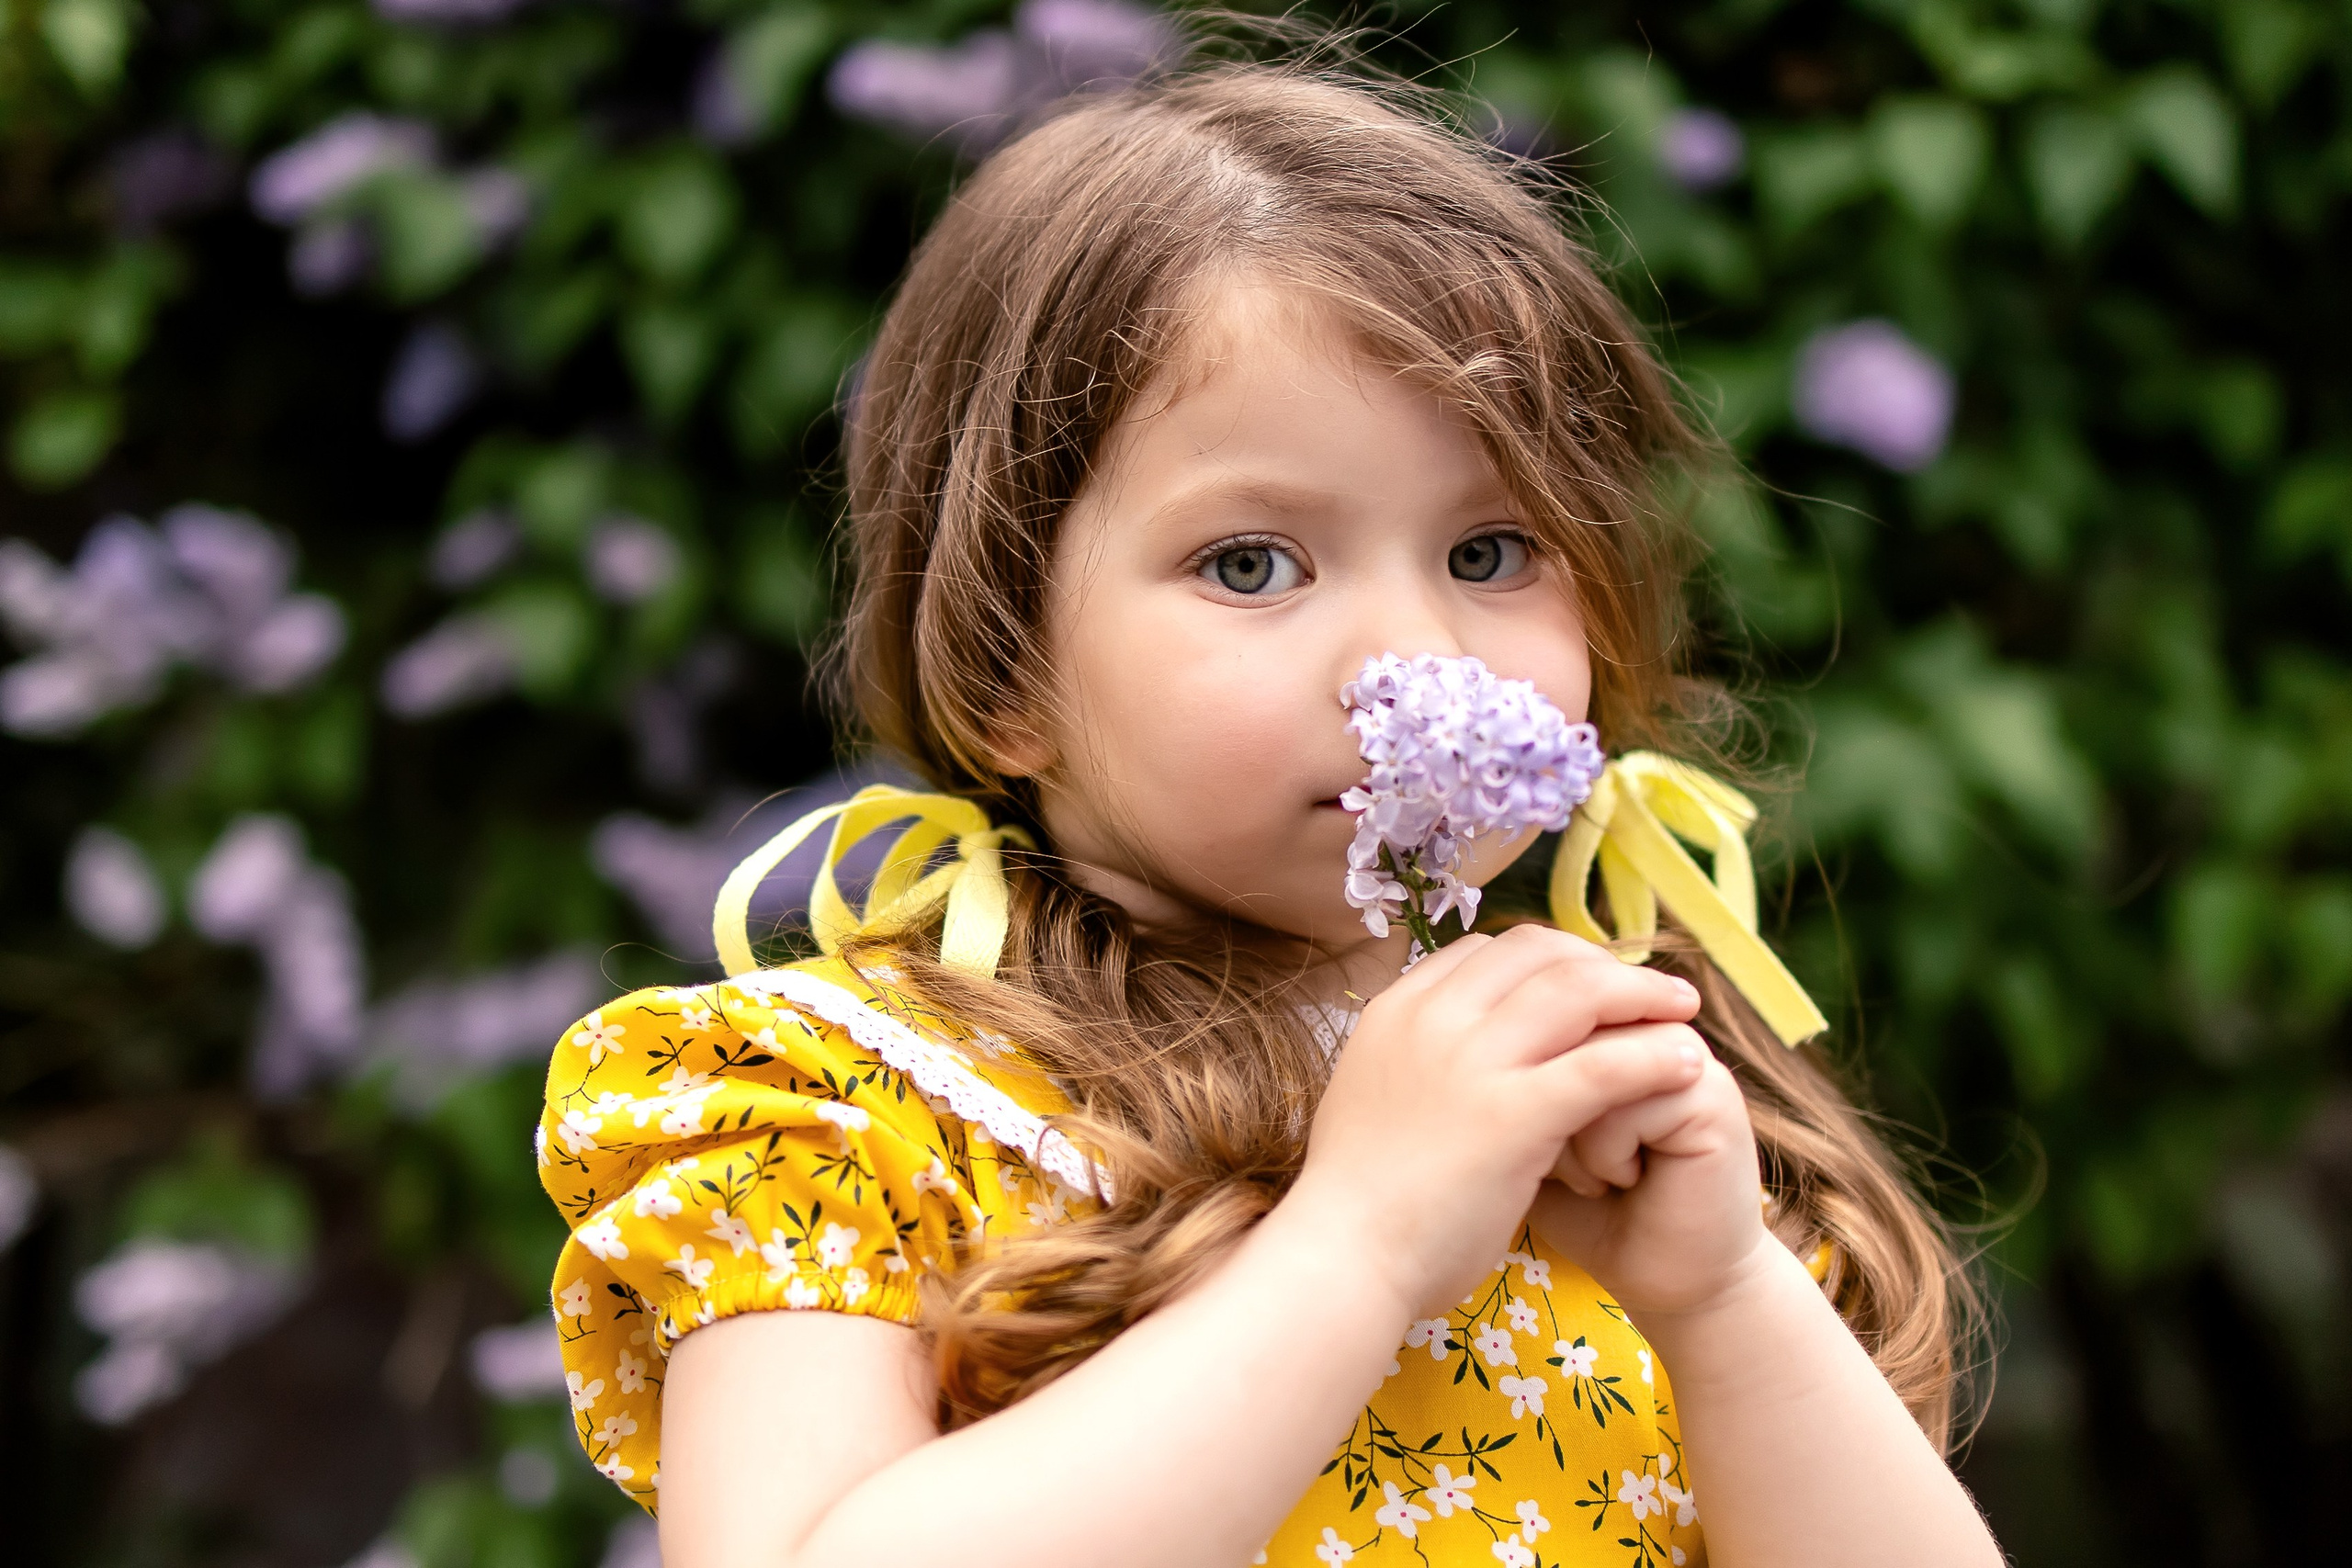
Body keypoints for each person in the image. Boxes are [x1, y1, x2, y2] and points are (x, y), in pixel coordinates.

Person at [538, 62, 2003, 1568]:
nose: (1416, 660)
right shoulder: (850, 1115)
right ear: (1002, 670)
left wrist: (1722, 1296)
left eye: (1495, 551)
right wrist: (1358, 1245)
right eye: (1253, 566)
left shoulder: (1639, 1106)